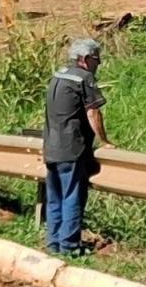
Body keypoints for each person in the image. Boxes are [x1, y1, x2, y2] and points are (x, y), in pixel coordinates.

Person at [42, 38, 113, 255]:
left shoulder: (58, 75)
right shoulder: (83, 78)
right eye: (95, 59)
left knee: (55, 197)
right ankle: (70, 245)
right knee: (73, 196)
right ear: (84, 59)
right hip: (71, 149)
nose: (98, 63)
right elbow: (93, 112)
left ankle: (53, 243)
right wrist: (104, 141)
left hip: (51, 147)